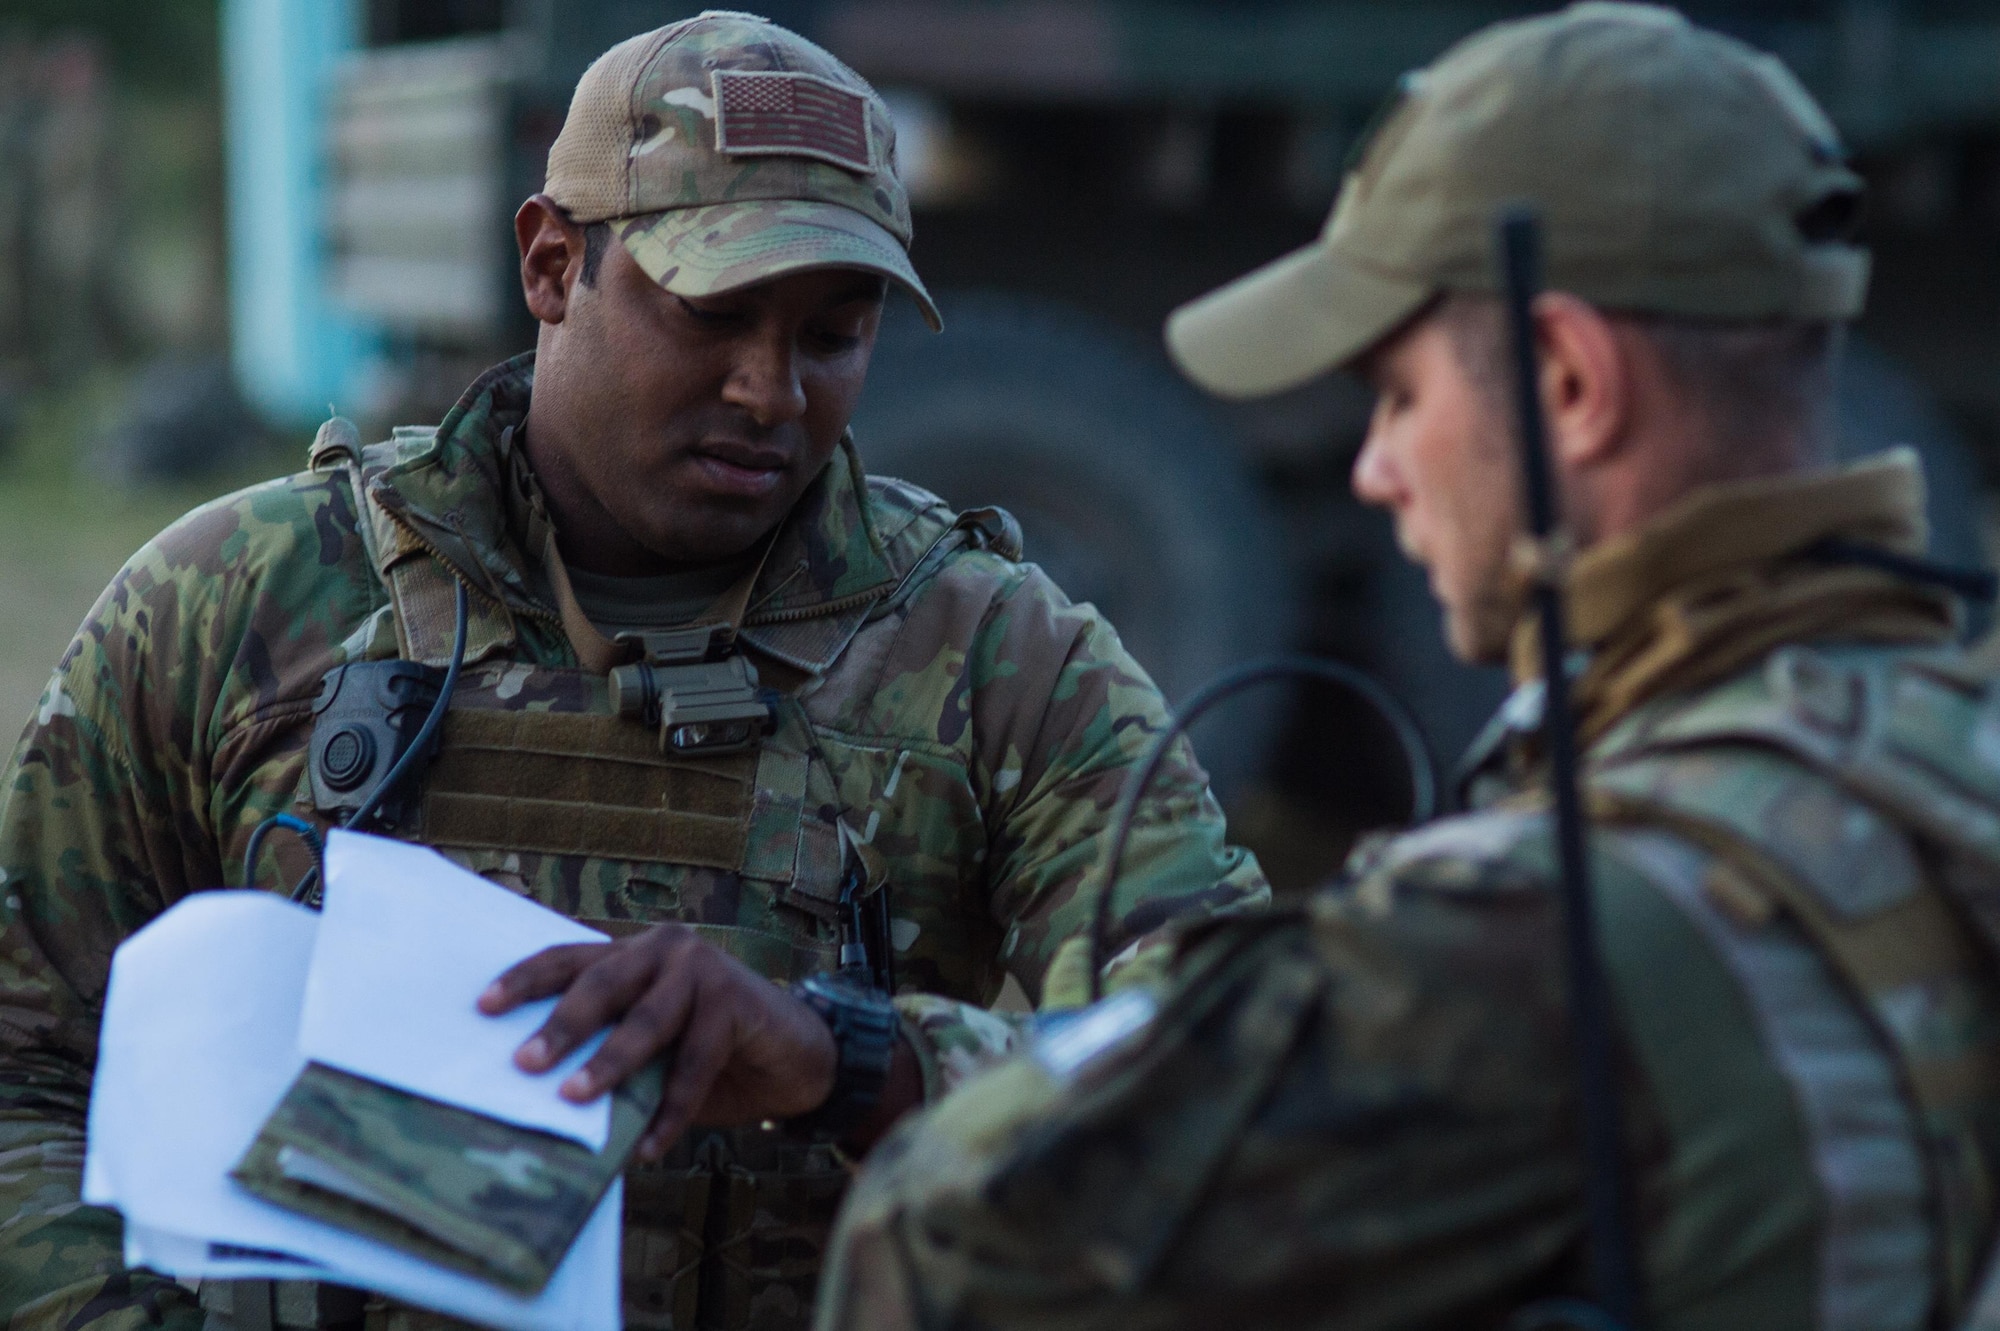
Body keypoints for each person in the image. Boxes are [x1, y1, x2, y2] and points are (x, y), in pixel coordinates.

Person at [0, 13, 1268, 1331]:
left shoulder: (993, 655)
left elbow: (1232, 1075)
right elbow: (25, 1063)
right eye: (714, 315)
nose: (772, 392)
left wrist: (847, 1059)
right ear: (552, 263)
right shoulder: (238, 602)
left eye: (835, 332)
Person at [812, 6, 2000, 1329]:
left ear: (1569, 386)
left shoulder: (1529, 938)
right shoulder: (1941, 748)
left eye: (1398, 393)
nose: (1374, 468)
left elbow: (948, 1249)